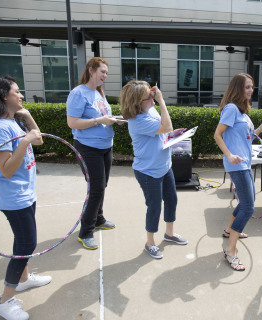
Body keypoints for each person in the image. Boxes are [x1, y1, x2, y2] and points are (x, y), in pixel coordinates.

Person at [0, 76, 51, 320]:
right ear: (2, 97)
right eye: (16, 92)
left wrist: (28, 118)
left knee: (23, 240)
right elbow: (6, 169)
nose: (21, 96)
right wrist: (24, 143)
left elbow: (38, 139)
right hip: (13, 196)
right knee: (26, 245)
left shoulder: (12, 122)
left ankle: (24, 279)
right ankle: (4, 301)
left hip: (24, 192)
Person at [120, 80, 188, 259]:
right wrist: (161, 100)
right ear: (136, 103)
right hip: (148, 172)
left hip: (164, 167)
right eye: (149, 97)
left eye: (152, 94)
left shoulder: (149, 110)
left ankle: (169, 234)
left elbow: (164, 130)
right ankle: (150, 243)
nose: (153, 98)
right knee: (154, 206)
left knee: (171, 200)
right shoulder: (136, 121)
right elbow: (165, 125)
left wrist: (173, 135)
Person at [214, 73, 262, 271]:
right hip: (236, 164)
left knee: (246, 202)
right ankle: (230, 250)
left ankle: (229, 229)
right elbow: (217, 135)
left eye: (252, 87)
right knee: (248, 207)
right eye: (247, 87)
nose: (250, 90)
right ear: (237, 88)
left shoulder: (242, 113)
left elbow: (249, 137)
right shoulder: (231, 109)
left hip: (245, 163)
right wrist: (230, 155)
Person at [66, 57, 121, 250]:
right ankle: (86, 232)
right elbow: (72, 123)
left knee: (101, 185)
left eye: (106, 73)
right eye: (102, 72)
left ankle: (98, 219)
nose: (105, 76)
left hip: (106, 146)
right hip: (88, 148)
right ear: (91, 70)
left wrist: (115, 119)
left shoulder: (99, 92)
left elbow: (103, 117)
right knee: (96, 188)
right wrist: (99, 121)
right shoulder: (78, 93)